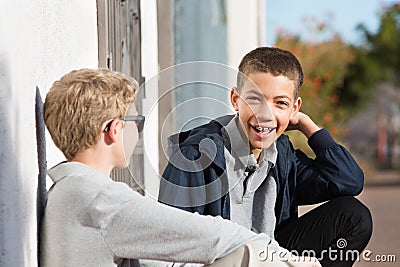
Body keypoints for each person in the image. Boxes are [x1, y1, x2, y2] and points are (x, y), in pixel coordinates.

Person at [40, 68, 321, 267]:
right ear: (115, 130)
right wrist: (287, 258)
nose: (139, 129)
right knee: (249, 255)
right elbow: (213, 235)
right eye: (136, 120)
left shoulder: (73, 190)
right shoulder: (101, 200)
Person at [159, 47, 373, 266]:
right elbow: (167, 246)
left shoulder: (281, 155)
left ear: (294, 109)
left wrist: (308, 127)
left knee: (354, 216)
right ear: (235, 99)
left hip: (271, 258)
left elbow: (348, 181)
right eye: (254, 99)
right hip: (221, 262)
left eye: (280, 103)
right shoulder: (196, 156)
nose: (266, 114)